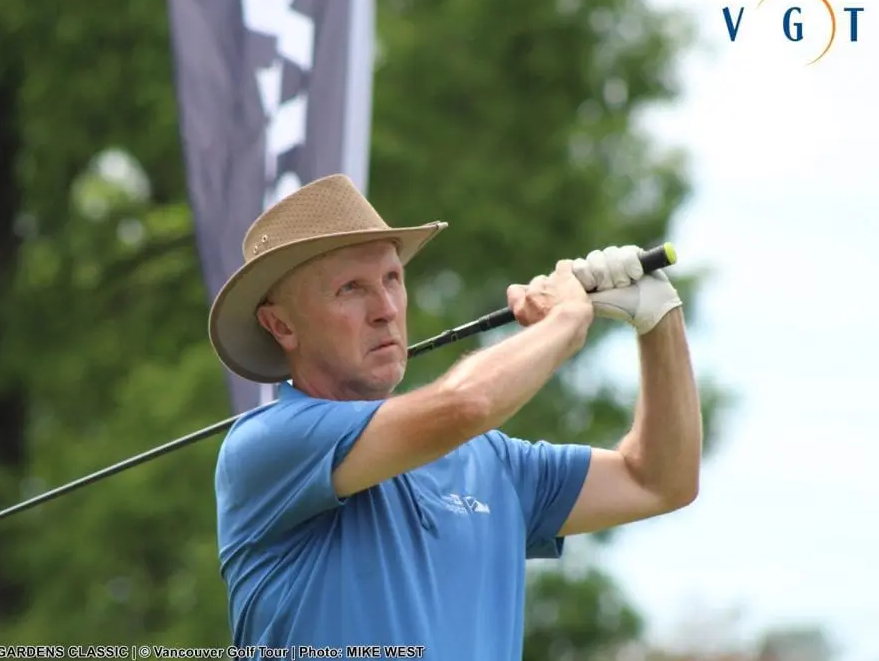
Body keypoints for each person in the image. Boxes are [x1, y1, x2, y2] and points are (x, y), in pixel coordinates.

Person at [209, 175, 702, 660]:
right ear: (280, 324)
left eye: (392, 279)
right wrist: (568, 321)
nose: (384, 309)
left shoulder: (495, 461)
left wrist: (659, 321)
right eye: (350, 289)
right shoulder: (265, 445)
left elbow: (659, 481)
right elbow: (466, 406)